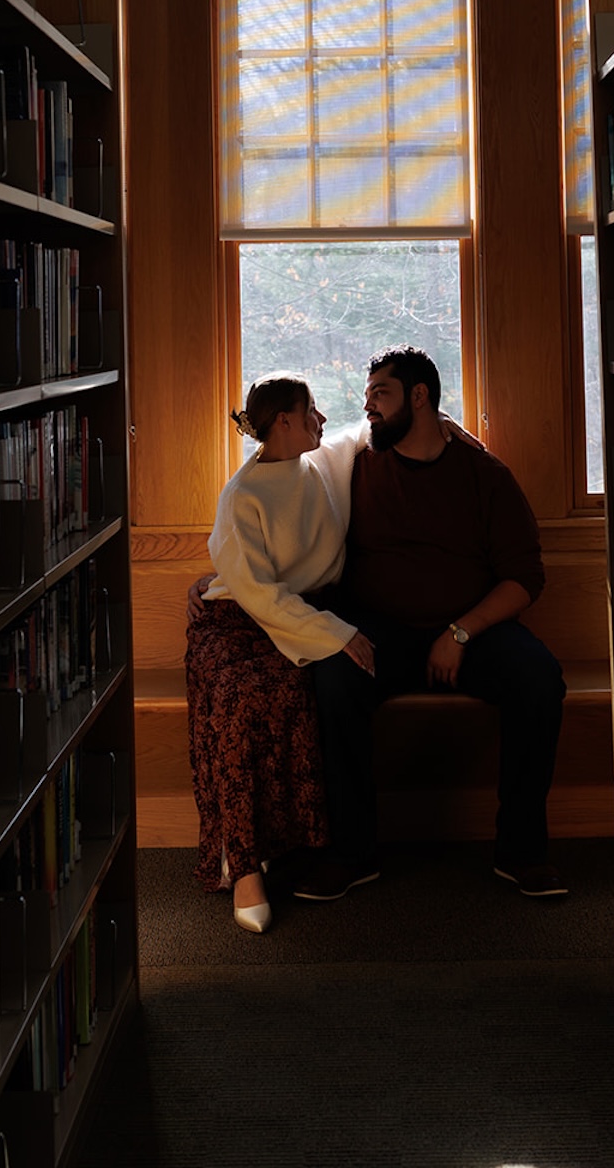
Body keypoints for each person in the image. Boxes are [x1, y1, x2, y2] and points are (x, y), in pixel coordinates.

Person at [294, 345, 568, 903]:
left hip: (471, 632)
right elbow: (271, 495)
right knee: (332, 679)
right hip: (378, 631)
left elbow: (525, 577)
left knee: (540, 680)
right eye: (366, 394)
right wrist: (218, 575)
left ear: (419, 397)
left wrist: (461, 632)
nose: (366, 405)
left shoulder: (484, 474)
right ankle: (351, 854)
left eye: (380, 393)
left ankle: (522, 853)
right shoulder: (354, 463)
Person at [184, 374, 375, 933]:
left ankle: (286, 848)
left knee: (291, 693)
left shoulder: (322, 463)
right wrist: (338, 634)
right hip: (231, 623)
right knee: (240, 701)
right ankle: (243, 869)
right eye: (311, 411)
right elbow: (257, 593)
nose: (321, 419)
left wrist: (450, 424)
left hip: (292, 623)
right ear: (283, 422)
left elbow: (363, 431)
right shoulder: (242, 495)